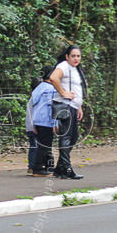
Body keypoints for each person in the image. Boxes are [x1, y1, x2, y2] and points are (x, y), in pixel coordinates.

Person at [48, 44, 87, 179]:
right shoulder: (64, 65)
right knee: (66, 137)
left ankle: (60, 168)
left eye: (78, 56)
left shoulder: (75, 69)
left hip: (73, 106)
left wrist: (79, 106)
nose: (76, 58)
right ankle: (67, 169)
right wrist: (63, 93)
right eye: (73, 56)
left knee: (73, 136)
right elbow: (53, 78)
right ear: (67, 57)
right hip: (64, 105)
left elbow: (76, 90)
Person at [29, 66, 59, 177]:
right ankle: (38, 168)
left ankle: (47, 166)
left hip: (38, 120)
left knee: (43, 145)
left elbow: (35, 106)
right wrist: (55, 123)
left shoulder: (39, 88)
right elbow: (52, 107)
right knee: (45, 146)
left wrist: (34, 123)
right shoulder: (50, 89)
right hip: (47, 121)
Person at [25, 75, 43, 174]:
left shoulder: (33, 97)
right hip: (34, 126)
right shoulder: (37, 97)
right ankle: (33, 166)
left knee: (34, 146)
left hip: (31, 126)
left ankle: (33, 166)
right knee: (35, 146)